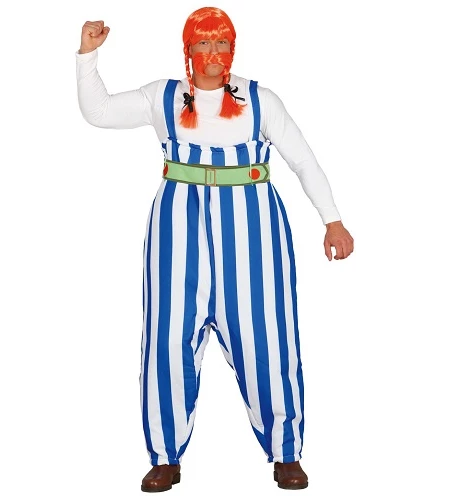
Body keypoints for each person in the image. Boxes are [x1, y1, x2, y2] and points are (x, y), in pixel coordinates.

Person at [75, 6, 354, 493]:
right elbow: (97, 113)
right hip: (177, 231)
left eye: (221, 42)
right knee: (166, 341)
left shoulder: (260, 100)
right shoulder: (163, 97)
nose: (212, 52)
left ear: (232, 48)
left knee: (268, 338)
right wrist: (87, 56)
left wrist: (333, 220)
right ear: (188, 49)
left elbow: (303, 160)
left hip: (254, 232)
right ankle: (165, 457)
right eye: (202, 43)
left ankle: (286, 452)